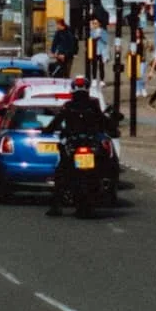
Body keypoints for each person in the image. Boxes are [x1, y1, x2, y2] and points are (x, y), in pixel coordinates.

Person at [46, 77, 108, 215]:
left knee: (61, 174)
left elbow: (56, 122)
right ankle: (104, 189)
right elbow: (104, 122)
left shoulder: (69, 106)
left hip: (74, 145)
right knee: (101, 168)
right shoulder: (93, 105)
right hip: (89, 145)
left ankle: (56, 206)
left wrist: (47, 130)